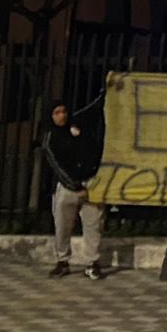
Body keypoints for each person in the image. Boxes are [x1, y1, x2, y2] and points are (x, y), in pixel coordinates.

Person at [41, 97, 106, 279]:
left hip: (91, 183)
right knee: (63, 226)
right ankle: (62, 261)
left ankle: (93, 263)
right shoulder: (50, 137)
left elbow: (93, 108)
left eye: (63, 111)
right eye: (57, 113)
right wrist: (74, 185)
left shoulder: (77, 125)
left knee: (94, 224)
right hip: (68, 188)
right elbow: (56, 165)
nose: (62, 116)